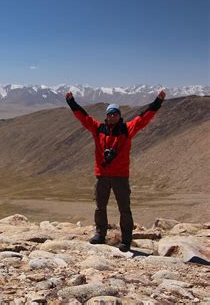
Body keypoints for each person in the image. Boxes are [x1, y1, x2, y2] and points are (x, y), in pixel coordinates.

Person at [65, 90, 166, 252]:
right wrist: (71, 102)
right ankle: (100, 234)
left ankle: (126, 240)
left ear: (119, 116)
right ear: (107, 116)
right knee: (100, 207)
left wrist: (158, 101)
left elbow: (144, 117)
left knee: (124, 209)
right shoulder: (98, 129)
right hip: (102, 175)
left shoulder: (127, 129)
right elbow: (84, 117)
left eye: (115, 114)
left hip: (120, 176)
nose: (112, 117)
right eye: (110, 114)